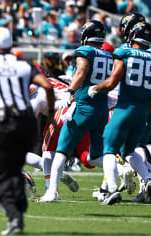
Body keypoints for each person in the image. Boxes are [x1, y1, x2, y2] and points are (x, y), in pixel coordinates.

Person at [0, 27, 55, 235]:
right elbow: (48, 87)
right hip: (26, 121)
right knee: (15, 168)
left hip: (3, 121)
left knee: (0, 175)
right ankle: (20, 204)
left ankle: (15, 216)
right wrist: (50, 113)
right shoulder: (24, 64)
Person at [38, 20, 113, 203]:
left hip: (83, 107)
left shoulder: (85, 51)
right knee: (96, 156)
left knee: (60, 150)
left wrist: (70, 91)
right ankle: (118, 178)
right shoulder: (109, 55)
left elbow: (81, 71)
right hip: (102, 110)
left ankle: (51, 192)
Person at [90, 22, 151, 204]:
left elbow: (112, 82)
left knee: (109, 148)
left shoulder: (124, 52)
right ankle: (148, 180)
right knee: (130, 150)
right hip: (143, 111)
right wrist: (145, 114)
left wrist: (95, 89)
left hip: (124, 107)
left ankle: (112, 189)